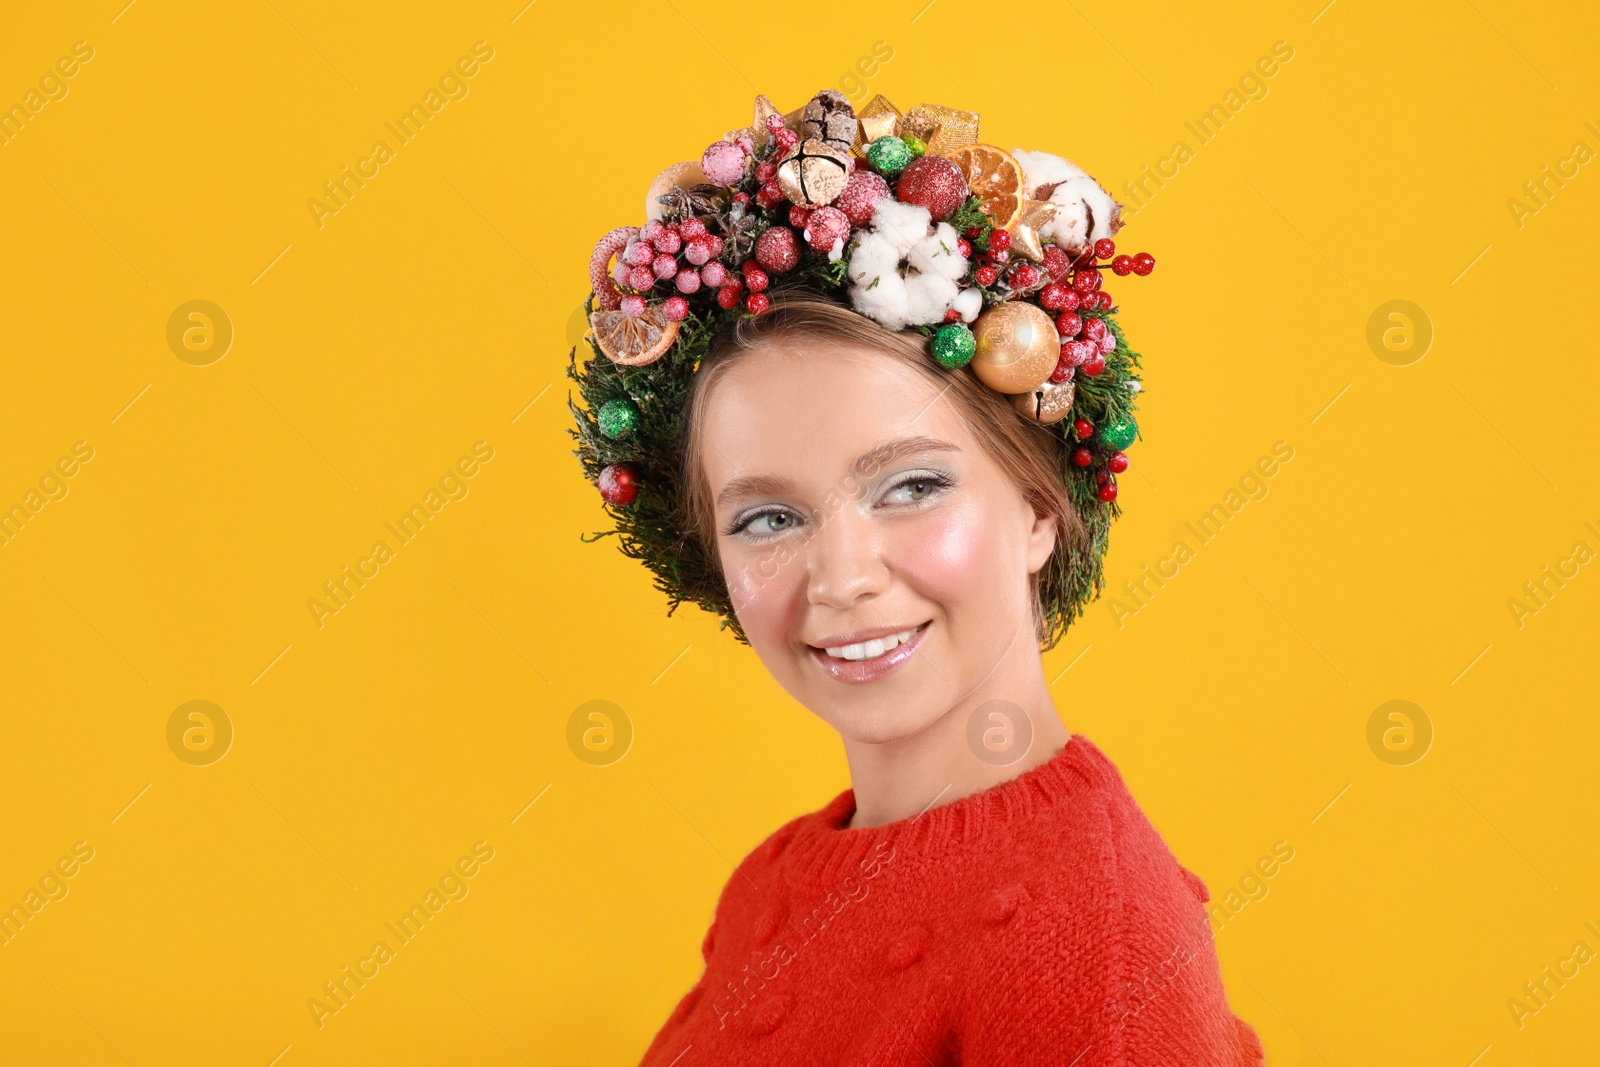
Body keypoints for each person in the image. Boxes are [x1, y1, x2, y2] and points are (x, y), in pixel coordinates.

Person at [570, 89, 1265, 1065]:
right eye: (769, 516)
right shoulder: (771, 885)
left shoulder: (1090, 938)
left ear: (1036, 507)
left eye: (909, 485)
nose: (842, 575)